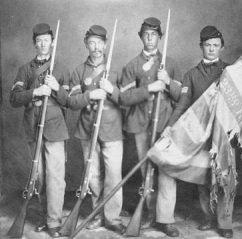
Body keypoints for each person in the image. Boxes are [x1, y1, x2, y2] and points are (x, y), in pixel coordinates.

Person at [166, 25, 233, 238]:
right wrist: (170, 126)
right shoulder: (191, 75)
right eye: (207, 45)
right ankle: (208, 217)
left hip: (223, 133)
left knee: (224, 177)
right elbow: (182, 104)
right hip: (201, 135)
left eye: (215, 45)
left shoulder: (230, 71)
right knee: (204, 178)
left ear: (221, 47)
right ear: (201, 47)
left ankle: (225, 223)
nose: (211, 49)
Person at [119, 17, 182, 237]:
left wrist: (168, 82)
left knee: (166, 171)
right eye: (146, 34)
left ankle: (165, 219)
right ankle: (148, 211)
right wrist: (149, 88)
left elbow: (181, 97)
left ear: (159, 37)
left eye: (154, 34)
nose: (149, 38)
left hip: (165, 125)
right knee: (146, 172)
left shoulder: (170, 64)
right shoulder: (131, 65)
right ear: (141, 37)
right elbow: (124, 98)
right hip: (140, 125)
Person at [9, 23, 70, 238]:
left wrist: (56, 88)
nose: (43, 44)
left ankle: (54, 222)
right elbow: (14, 98)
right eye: (39, 41)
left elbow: (68, 102)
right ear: (35, 44)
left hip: (54, 127)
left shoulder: (60, 68)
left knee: (55, 177)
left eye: (47, 40)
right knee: (41, 177)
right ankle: (46, 217)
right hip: (33, 127)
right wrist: (36, 91)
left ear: (52, 43)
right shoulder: (25, 69)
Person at [67, 25, 125, 234]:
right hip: (87, 130)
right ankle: (97, 215)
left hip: (112, 130)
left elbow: (126, 100)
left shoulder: (117, 70)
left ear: (106, 44)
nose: (96, 47)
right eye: (92, 42)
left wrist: (111, 90)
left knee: (113, 175)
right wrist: (90, 96)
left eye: (100, 42)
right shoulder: (78, 71)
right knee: (92, 176)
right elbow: (71, 102)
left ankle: (113, 217)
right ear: (86, 44)